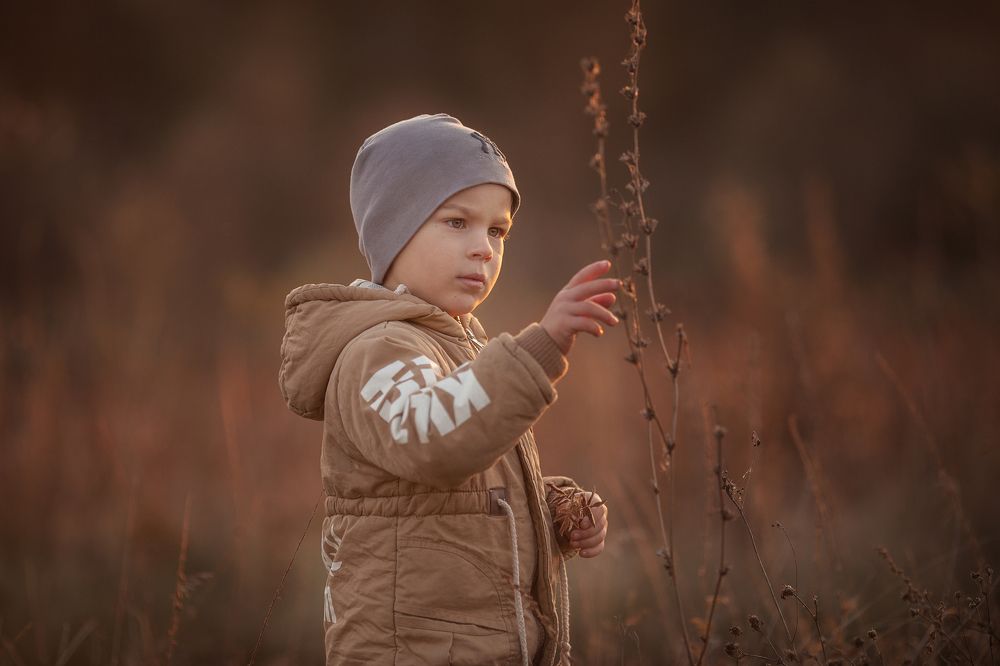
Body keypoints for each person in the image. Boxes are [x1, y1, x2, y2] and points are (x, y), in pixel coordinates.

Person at [279, 113, 616, 666]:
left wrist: (555, 508)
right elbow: (436, 444)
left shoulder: (457, 346)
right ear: (394, 230)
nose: (484, 248)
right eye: (457, 222)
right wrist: (544, 343)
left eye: (497, 230)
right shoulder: (378, 351)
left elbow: (462, 490)